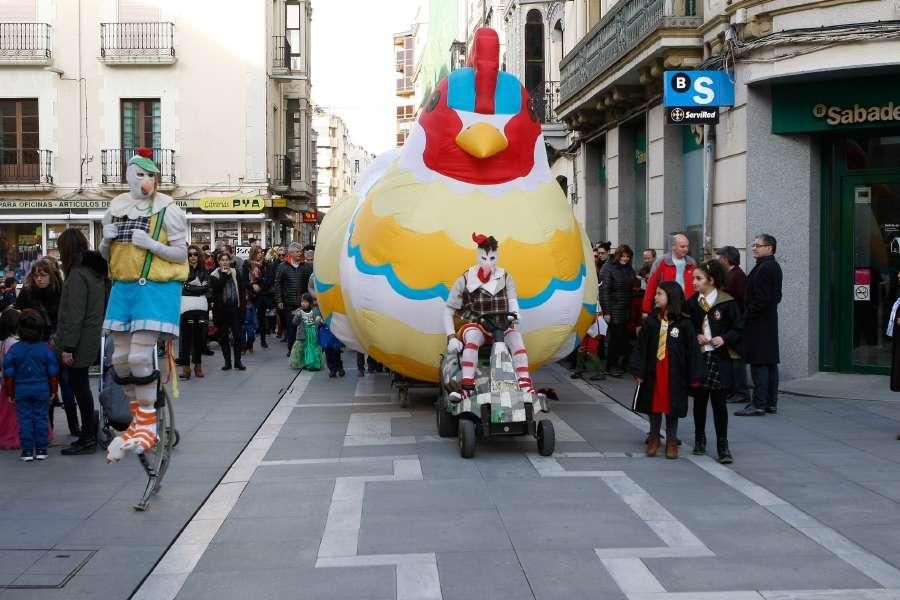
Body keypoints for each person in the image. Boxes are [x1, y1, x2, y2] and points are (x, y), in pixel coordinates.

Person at [99, 147, 189, 463]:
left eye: (150, 175)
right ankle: (137, 420)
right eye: (140, 174)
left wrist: (151, 244)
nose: (145, 180)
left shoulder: (168, 210)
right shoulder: (117, 208)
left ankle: (148, 420)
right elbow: (105, 256)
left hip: (154, 288)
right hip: (123, 289)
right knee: (120, 359)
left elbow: (181, 254)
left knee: (139, 356)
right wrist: (105, 240)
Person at [444, 234, 536, 397]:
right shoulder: (466, 278)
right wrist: (451, 336)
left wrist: (515, 314)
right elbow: (449, 309)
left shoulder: (505, 276)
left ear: (497, 256)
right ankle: (467, 387)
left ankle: (524, 384)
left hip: (500, 326)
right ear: (478, 255)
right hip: (476, 325)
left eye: (492, 258)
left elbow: (512, 299)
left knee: (516, 338)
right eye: (484, 258)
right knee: (472, 338)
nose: (488, 263)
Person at [629, 281, 701, 459]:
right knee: (654, 404)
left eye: (659, 294)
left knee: (672, 406)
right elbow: (642, 347)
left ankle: (671, 439)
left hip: (674, 372)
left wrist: (694, 375)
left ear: (671, 297)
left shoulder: (684, 323)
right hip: (654, 370)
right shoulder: (652, 320)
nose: (655, 297)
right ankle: (654, 436)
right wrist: (638, 370)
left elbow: (692, 350)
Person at [55, 229, 108, 456]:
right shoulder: (97, 272)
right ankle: (89, 430)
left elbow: (74, 314)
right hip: (93, 334)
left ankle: (86, 435)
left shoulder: (77, 274)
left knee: (79, 386)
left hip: (79, 339)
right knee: (82, 385)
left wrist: (68, 347)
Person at [687, 260, 741, 464]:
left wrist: (724, 338)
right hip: (701, 356)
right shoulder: (692, 303)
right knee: (699, 400)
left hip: (720, 357)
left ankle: (722, 444)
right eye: (694, 278)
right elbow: (687, 326)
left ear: (711, 280)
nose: (694, 282)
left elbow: (739, 327)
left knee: (719, 403)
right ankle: (699, 438)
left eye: (698, 279)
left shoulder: (727, 302)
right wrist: (696, 335)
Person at [735, 234, 783, 417]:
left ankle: (759, 404)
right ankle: (770, 403)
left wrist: (746, 316)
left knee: (760, 363)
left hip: (760, 323)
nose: (754, 247)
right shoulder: (769, 266)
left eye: (758, 245)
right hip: (766, 321)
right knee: (769, 362)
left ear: (770, 247)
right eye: (753, 244)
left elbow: (763, 299)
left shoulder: (766, 268)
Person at [4, 309, 59, 461]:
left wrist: (10, 393)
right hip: (42, 388)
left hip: (21, 389)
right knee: (41, 417)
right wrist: (53, 390)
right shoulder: (46, 349)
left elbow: (9, 374)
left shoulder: (14, 349)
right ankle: (41, 449)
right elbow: (53, 372)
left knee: (25, 419)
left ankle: (27, 450)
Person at [716, 245, 750, 404]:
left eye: (719, 258)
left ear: (725, 259)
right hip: (729, 321)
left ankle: (741, 391)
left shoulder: (738, 275)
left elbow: (742, 300)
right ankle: (731, 390)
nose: (718, 261)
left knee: (736, 358)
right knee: (730, 356)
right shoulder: (730, 274)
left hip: (735, 322)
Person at [600, 244, 638, 377]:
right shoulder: (608, 267)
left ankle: (618, 364)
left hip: (625, 309)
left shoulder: (628, 269)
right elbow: (604, 291)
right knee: (615, 339)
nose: (625, 259)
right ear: (618, 255)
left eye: (627, 256)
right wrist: (607, 311)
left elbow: (632, 284)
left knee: (622, 338)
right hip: (614, 308)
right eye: (623, 256)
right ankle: (611, 366)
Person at [642, 233, 696, 316]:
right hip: (667, 307)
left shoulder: (691, 262)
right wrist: (646, 309)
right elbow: (651, 286)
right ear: (673, 246)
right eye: (682, 246)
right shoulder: (661, 261)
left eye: (687, 246)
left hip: (688, 307)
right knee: (666, 328)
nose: (686, 249)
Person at [274, 243, 313, 357]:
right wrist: (279, 300)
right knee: (291, 327)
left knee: (304, 327)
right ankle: (291, 349)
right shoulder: (283, 266)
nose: (300, 254)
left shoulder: (305, 266)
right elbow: (277, 284)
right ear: (291, 253)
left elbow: (310, 283)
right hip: (289, 303)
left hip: (303, 304)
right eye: (297, 252)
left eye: (300, 251)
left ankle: (303, 350)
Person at [209, 251, 246, 371]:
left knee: (237, 336)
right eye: (222, 260)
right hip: (221, 310)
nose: (225, 262)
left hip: (234, 308)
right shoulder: (214, 275)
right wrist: (224, 275)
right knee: (223, 337)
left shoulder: (235, 273)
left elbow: (241, 291)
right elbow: (217, 288)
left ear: (230, 261)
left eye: (227, 260)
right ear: (218, 262)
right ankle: (227, 362)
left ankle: (238, 362)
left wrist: (242, 309)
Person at [178, 245, 210, 380]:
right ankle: (186, 368)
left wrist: (189, 286)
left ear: (199, 256)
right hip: (185, 306)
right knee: (185, 338)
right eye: (190, 254)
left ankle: (198, 366)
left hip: (200, 306)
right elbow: (182, 287)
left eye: (195, 254)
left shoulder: (205, 270)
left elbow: (206, 288)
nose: (192, 257)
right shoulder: (182, 269)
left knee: (199, 338)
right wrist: (195, 287)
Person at [242, 247, 272, 349]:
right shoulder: (247, 264)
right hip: (250, 295)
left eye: (261, 252)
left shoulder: (265, 264)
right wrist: (252, 286)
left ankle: (263, 340)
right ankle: (249, 341)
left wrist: (260, 285)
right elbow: (244, 280)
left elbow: (269, 279)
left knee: (261, 318)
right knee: (249, 320)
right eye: (258, 253)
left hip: (262, 295)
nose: (260, 254)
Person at [0, 308, 20, 450]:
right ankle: (17, 437)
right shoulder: (14, 344)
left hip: (5, 384)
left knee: (6, 417)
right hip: (14, 385)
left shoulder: (4, 342)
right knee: (16, 416)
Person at [289, 293, 323, 371]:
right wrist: (297, 316)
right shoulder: (299, 312)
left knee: (312, 349)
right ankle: (303, 363)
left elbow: (318, 321)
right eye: (302, 302)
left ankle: (313, 364)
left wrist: (319, 320)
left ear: (310, 303)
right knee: (301, 349)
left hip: (312, 333)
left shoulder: (314, 311)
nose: (303, 303)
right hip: (302, 334)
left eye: (305, 302)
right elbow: (294, 322)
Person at [570, 311, 605, 380]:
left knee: (591, 352)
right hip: (585, 327)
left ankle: (601, 373)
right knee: (581, 350)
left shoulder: (597, 304)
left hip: (594, 330)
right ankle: (579, 371)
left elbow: (599, 317)